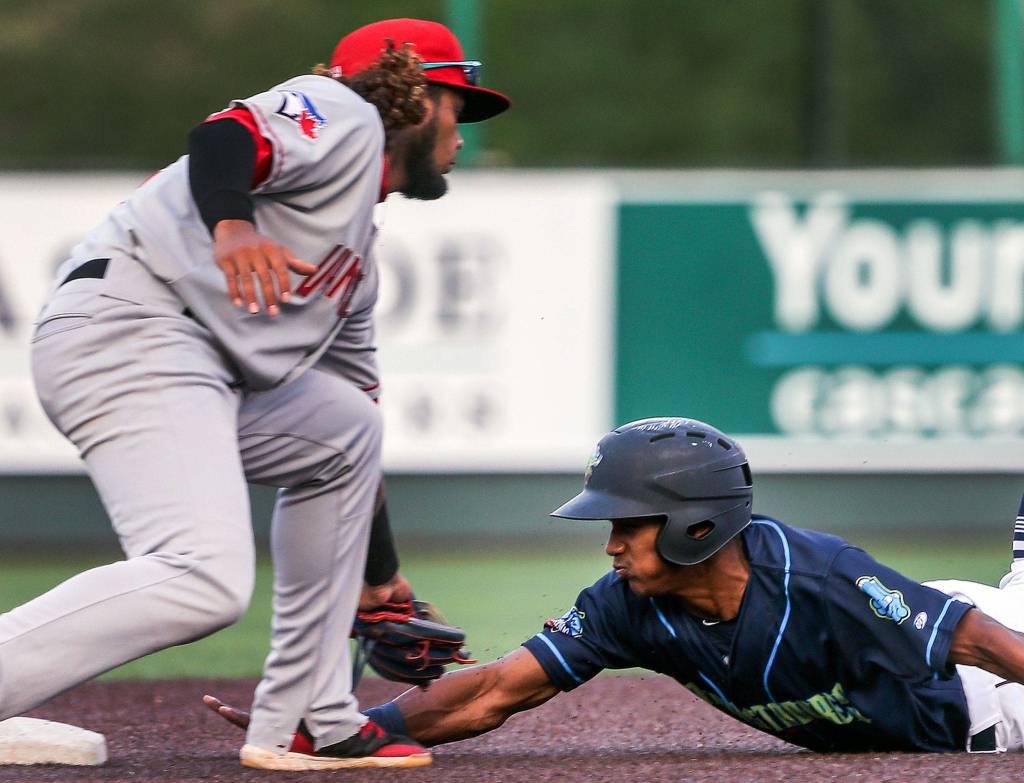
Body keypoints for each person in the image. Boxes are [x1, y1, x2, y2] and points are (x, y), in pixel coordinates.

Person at [0, 18, 509, 772]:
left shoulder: (354, 266)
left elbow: (353, 432)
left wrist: (380, 579)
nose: (461, 132)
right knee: (202, 575)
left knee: (343, 427)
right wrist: (233, 224)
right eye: (455, 105)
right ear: (413, 99)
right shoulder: (344, 113)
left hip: (182, 358)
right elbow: (222, 137)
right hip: (131, 324)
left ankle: (308, 716)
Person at [209, 417, 1024, 754]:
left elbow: (988, 643)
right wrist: (336, 730)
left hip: (991, 685)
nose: (609, 545)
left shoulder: (819, 576)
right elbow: (491, 692)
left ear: (694, 524)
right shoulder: (628, 608)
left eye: (625, 524)